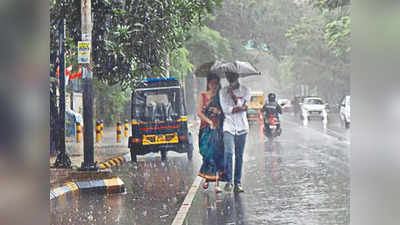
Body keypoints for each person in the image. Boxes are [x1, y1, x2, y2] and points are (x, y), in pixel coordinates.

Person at [219, 72, 251, 192]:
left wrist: (233, 97)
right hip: (228, 126)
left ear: (238, 77)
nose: (231, 80)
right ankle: (229, 181)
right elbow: (226, 110)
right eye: (229, 78)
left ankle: (237, 183)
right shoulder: (222, 92)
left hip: (242, 127)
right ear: (227, 78)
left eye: (233, 77)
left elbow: (245, 107)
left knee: (239, 155)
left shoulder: (246, 90)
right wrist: (239, 107)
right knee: (228, 152)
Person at [197, 73, 224, 193]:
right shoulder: (202, 96)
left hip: (218, 129)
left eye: (216, 84)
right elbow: (199, 113)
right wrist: (209, 122)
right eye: (212, 83)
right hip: (205, 129)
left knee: (217, 155)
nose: (214, 86)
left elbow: (224, 111)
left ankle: (217, 182)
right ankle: (207, 178)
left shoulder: (220, 97)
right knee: (206, 154)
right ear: (208, 84)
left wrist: (218, 111)